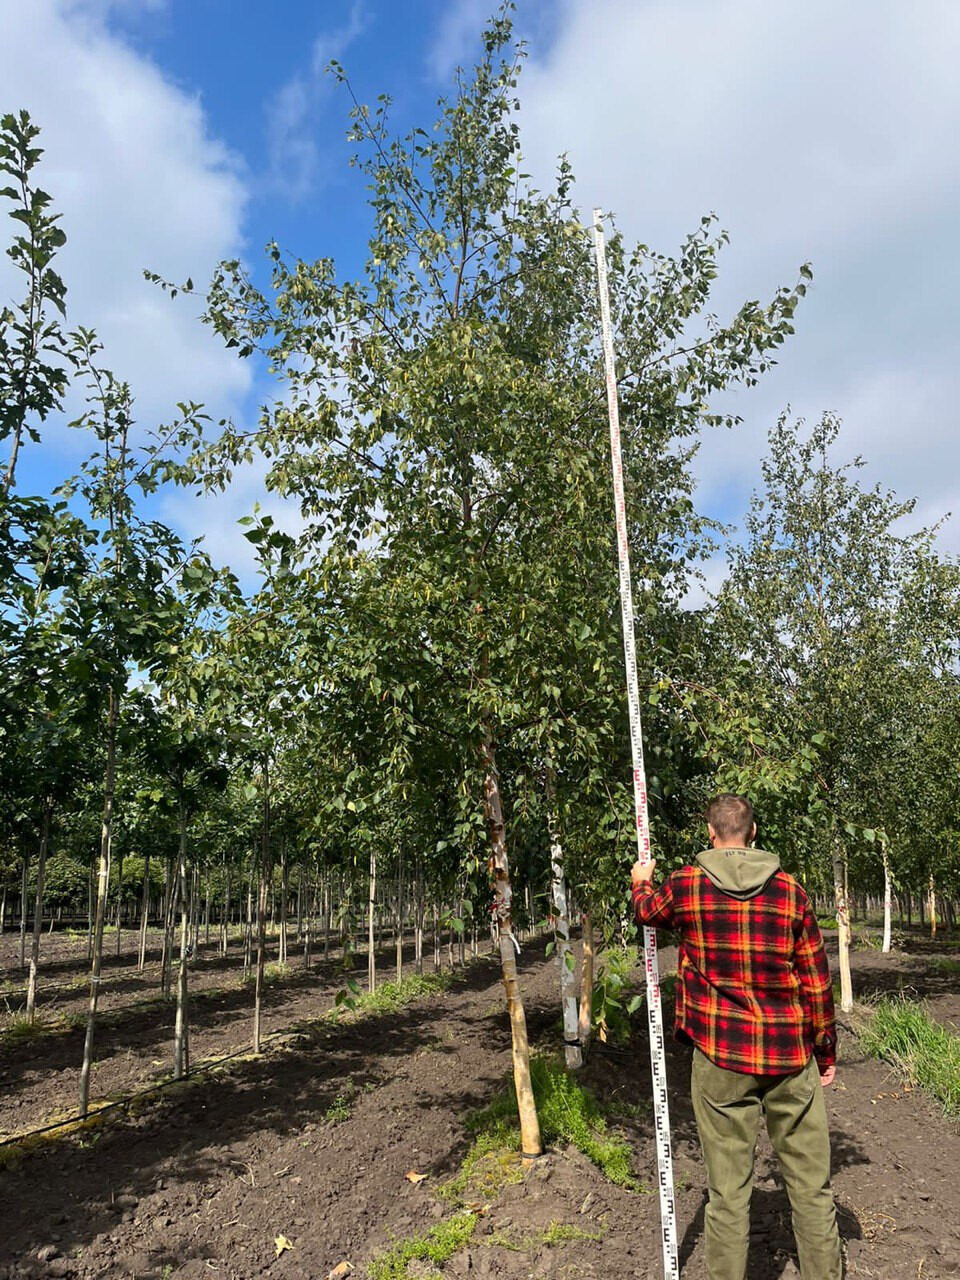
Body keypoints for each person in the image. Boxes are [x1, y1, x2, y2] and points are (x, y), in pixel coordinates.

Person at [632, 793, 842, 1280]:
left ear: (711, 833)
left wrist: (641, 883)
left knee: (727, 1194)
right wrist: (825, 1050)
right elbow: (816, 980)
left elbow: (647, 912)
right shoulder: (791, 892)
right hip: (789, 1057)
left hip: (720, 1057)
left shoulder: (687, 885)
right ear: (752, 834)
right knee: (812, 1188)